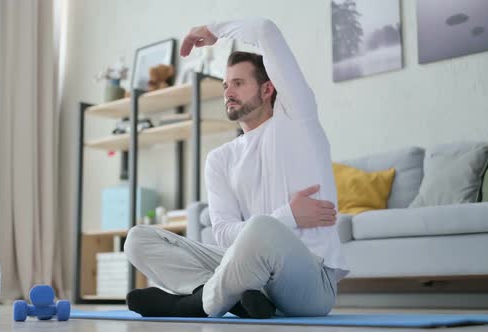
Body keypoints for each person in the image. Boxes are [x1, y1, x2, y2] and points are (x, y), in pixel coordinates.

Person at [124, 17, 349, 319]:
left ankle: (194, 304)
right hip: (251, 275)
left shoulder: (297, 119)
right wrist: (289, 216)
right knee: (138, 239)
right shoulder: (220, 159)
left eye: (239, 83)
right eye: (226, 85)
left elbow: (266, 30)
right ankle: (239, 299)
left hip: (311, 280)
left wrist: (212, 30)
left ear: (268, 89)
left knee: (262, 227)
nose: (228, 92)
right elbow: (223, 233)